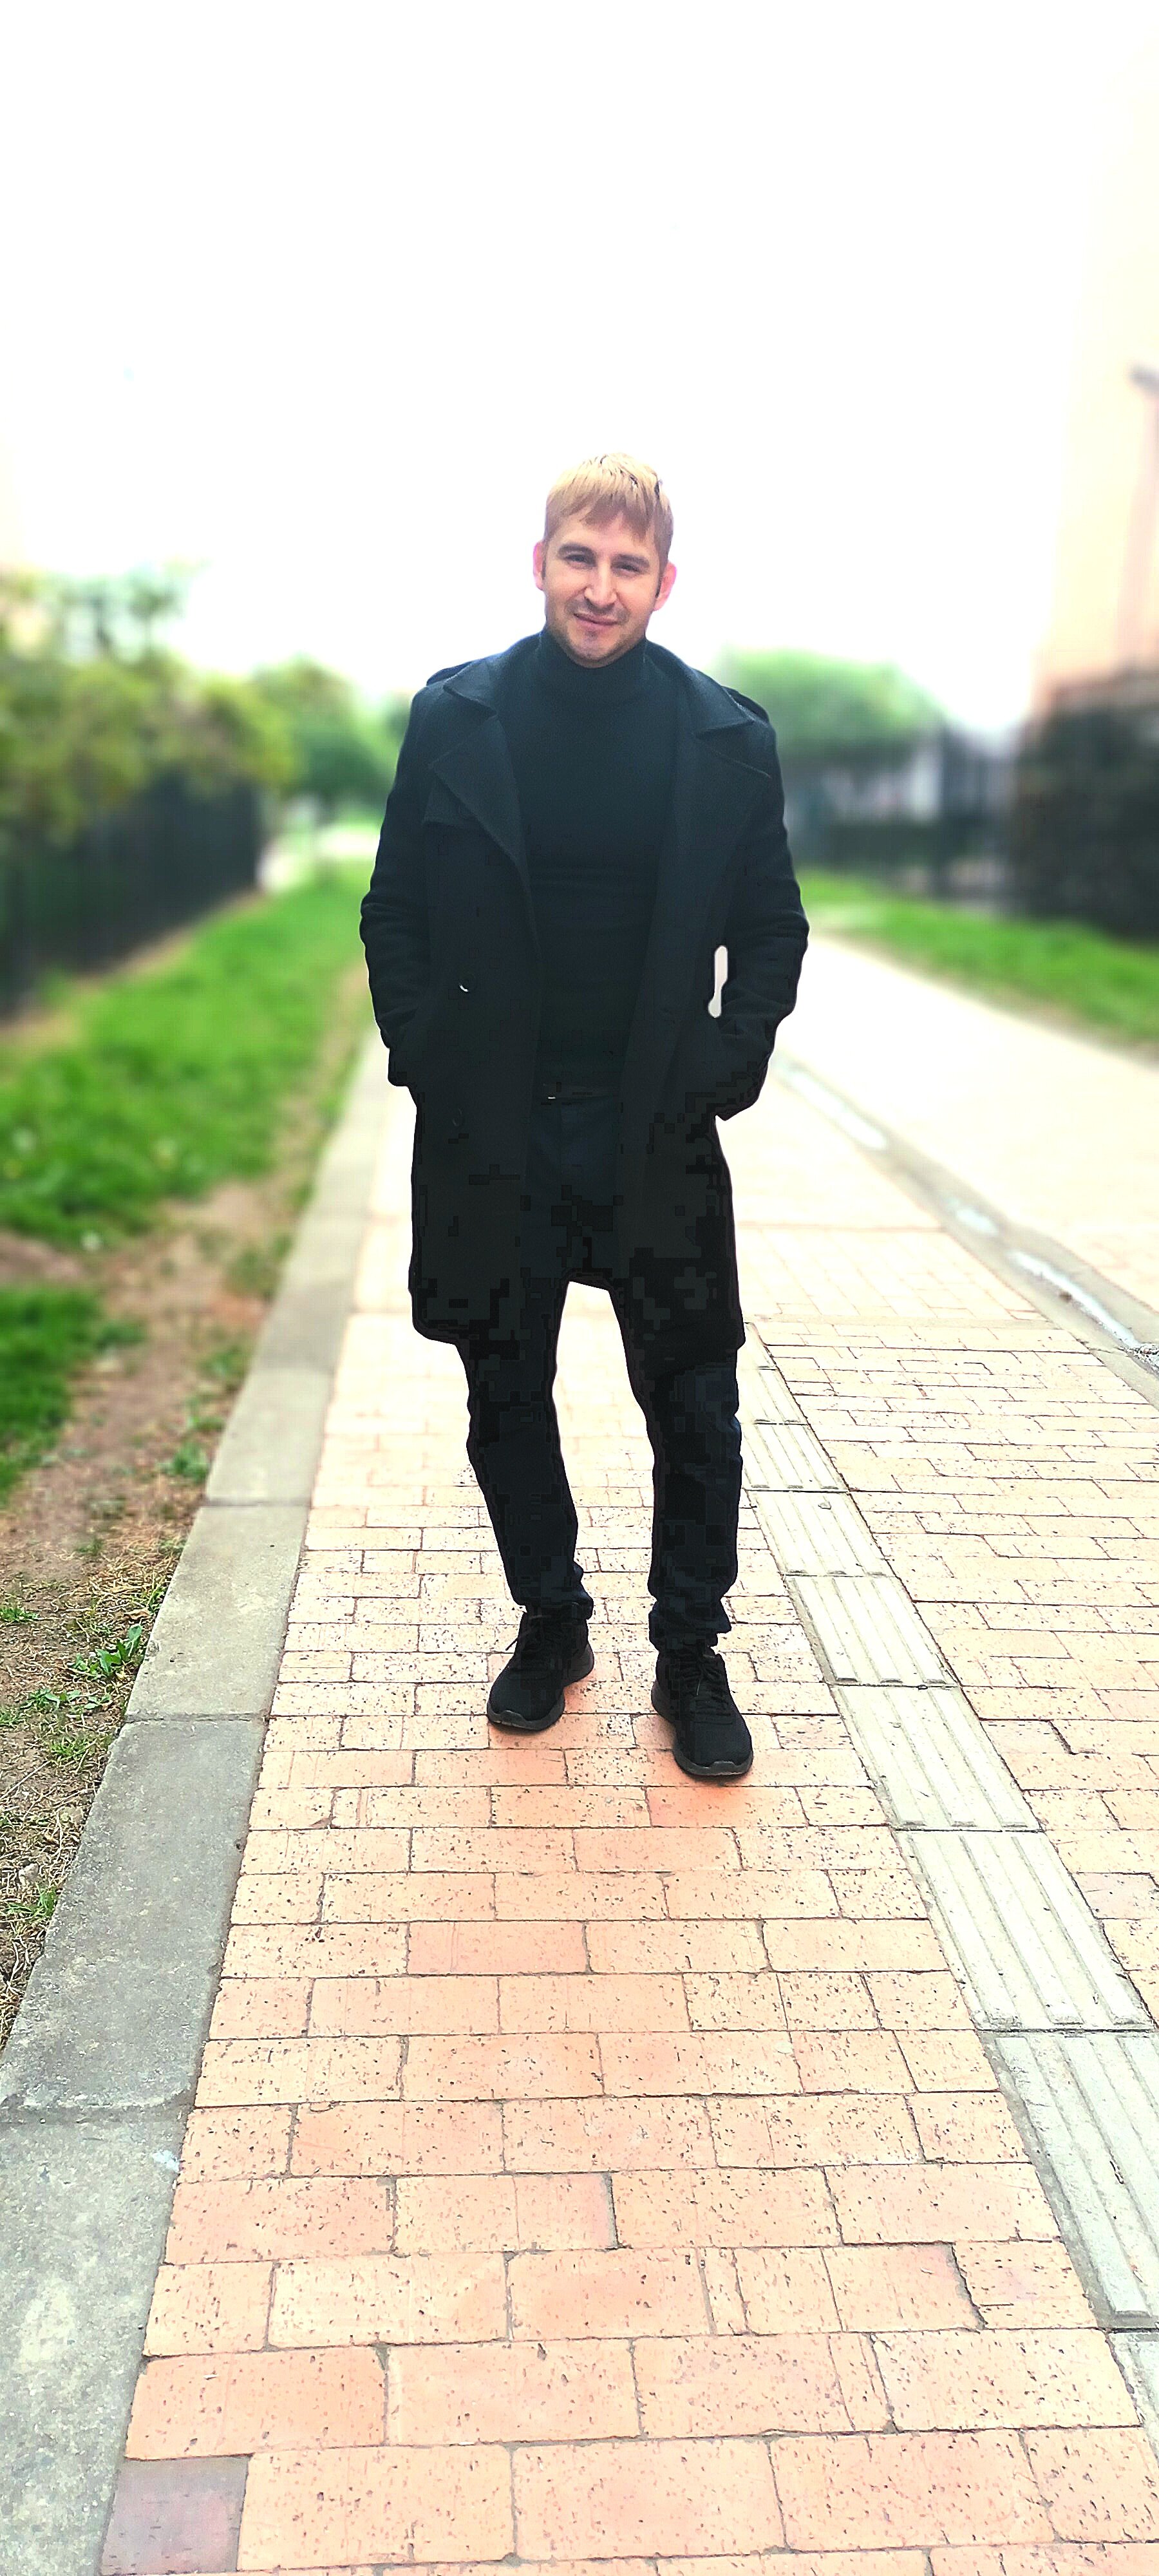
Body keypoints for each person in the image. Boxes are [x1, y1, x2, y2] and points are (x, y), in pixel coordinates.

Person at [361, 454, 807, 1781]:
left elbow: (771, 927)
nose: (599, 587)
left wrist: (727, 1060)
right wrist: (424, 1048)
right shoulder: (459, 716)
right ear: (540, 563)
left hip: (652, 1126)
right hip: (495, 1126)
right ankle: (551, 1618)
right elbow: (393, 906)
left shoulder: (725, 738)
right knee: (504, 1385)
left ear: (664, 583)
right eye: (579, 558)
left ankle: (690, 1651)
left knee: (696, 1399)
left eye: (627, 565)